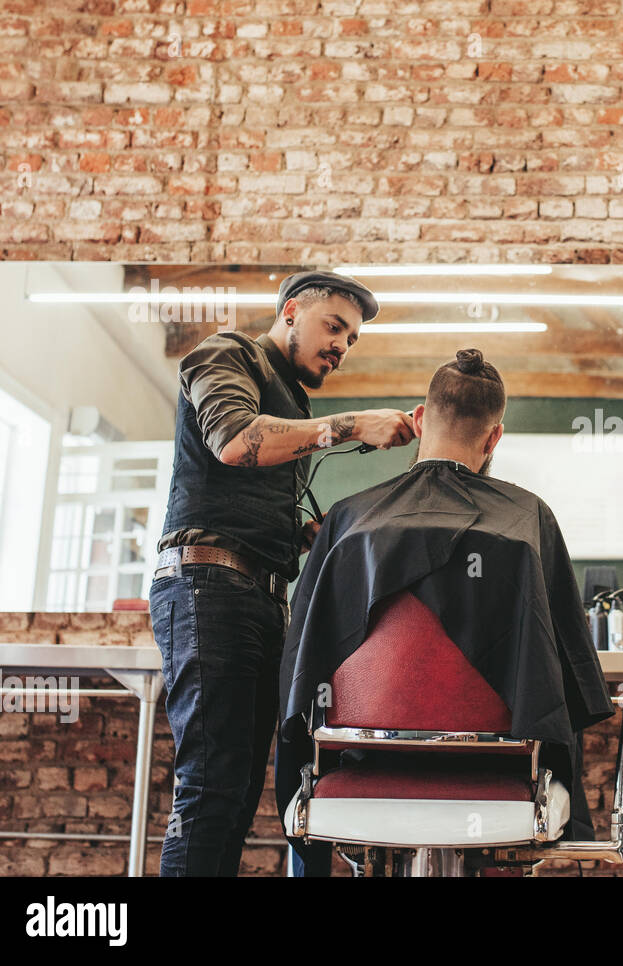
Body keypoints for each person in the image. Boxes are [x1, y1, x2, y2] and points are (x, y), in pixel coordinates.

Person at [277, 348, 615, 876]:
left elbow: (303, 663)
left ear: (418, 418)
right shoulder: (528, 520)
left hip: (362, 768)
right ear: (494, 437)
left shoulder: (348, 521)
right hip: (498, 771)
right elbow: (563, 675)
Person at [149, 270, 417, 877]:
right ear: (291, 311)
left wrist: (307, 538)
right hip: (206, 587)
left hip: (257, 598)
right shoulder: (227, 354)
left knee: (239, 793)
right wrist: (351, 425)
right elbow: (234, 441)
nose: (341, 347)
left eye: (351, 339)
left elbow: (246, 498)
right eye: (334, 327)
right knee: (211, 787)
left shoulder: (294, 402)